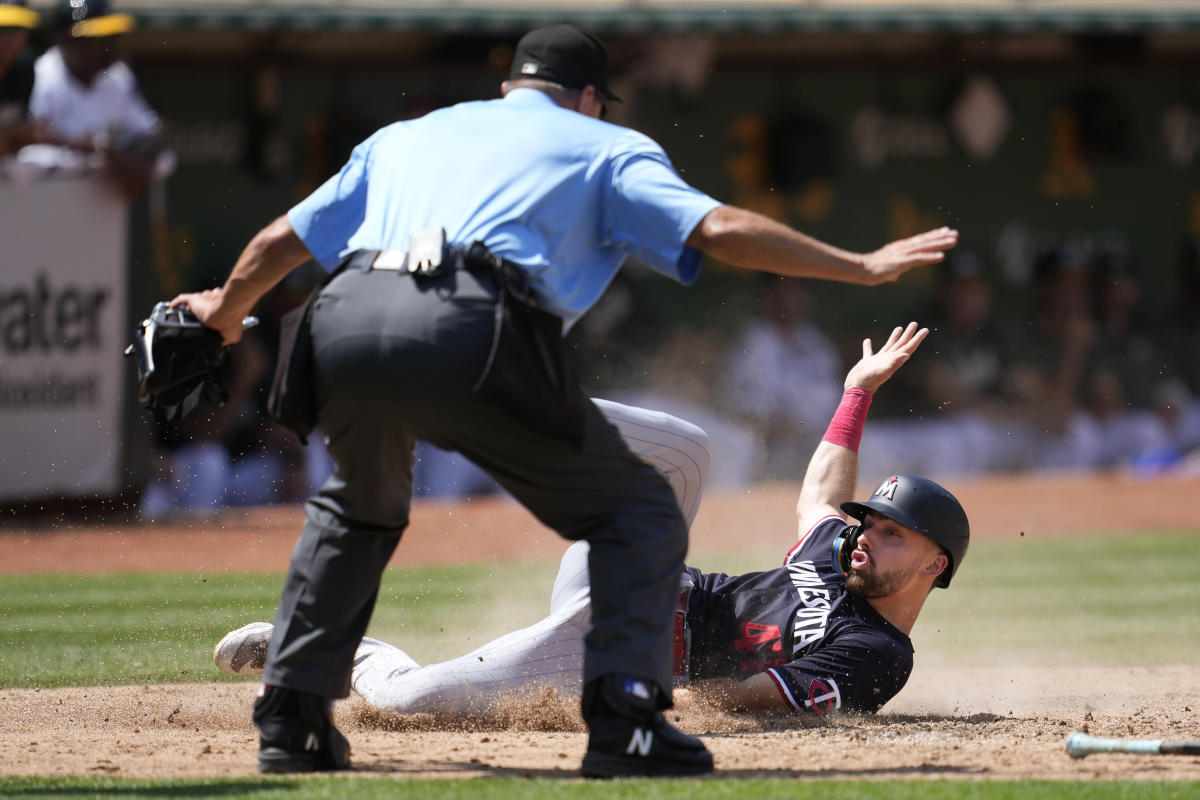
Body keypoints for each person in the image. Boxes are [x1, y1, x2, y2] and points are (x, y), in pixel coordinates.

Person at [171, 24, 957, 777]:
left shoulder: (411, 134)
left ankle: (295, 713)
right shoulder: (604, 144)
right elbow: (717, 227)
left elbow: (283, 238)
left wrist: (224, 312)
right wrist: (861, 266)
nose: (869, 538)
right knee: (645, 501)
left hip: (342, 323)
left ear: (511, 85)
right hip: (474, 331)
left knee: (356, 515)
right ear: (589, 98)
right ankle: (626, 729)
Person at [215, 323, 969, 725]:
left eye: (892, 533)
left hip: (608, 648)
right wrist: (854, 394)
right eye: (872, 524)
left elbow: (757, 698)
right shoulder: (842, 554)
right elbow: (821, 497)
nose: (866, 535)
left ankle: (338, 647)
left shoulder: (875, 651)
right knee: (686, 453)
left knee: (405, 705)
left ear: (935, 566)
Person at [25, 0, 167, 197]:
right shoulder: (40, 75)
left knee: (163, 160)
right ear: (65, 40)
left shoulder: (117, 76)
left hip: (100, 205)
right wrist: (97, 147)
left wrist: (133, 155)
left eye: (112, 37)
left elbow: (150, 132)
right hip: (39, 197)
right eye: (98, 38)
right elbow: (28, 139)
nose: (110, 46)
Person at [0, 1, 41, 158]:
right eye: (3, 29)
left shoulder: (27, 68)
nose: (9, 38)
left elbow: (35, 133)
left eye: (17, 29)